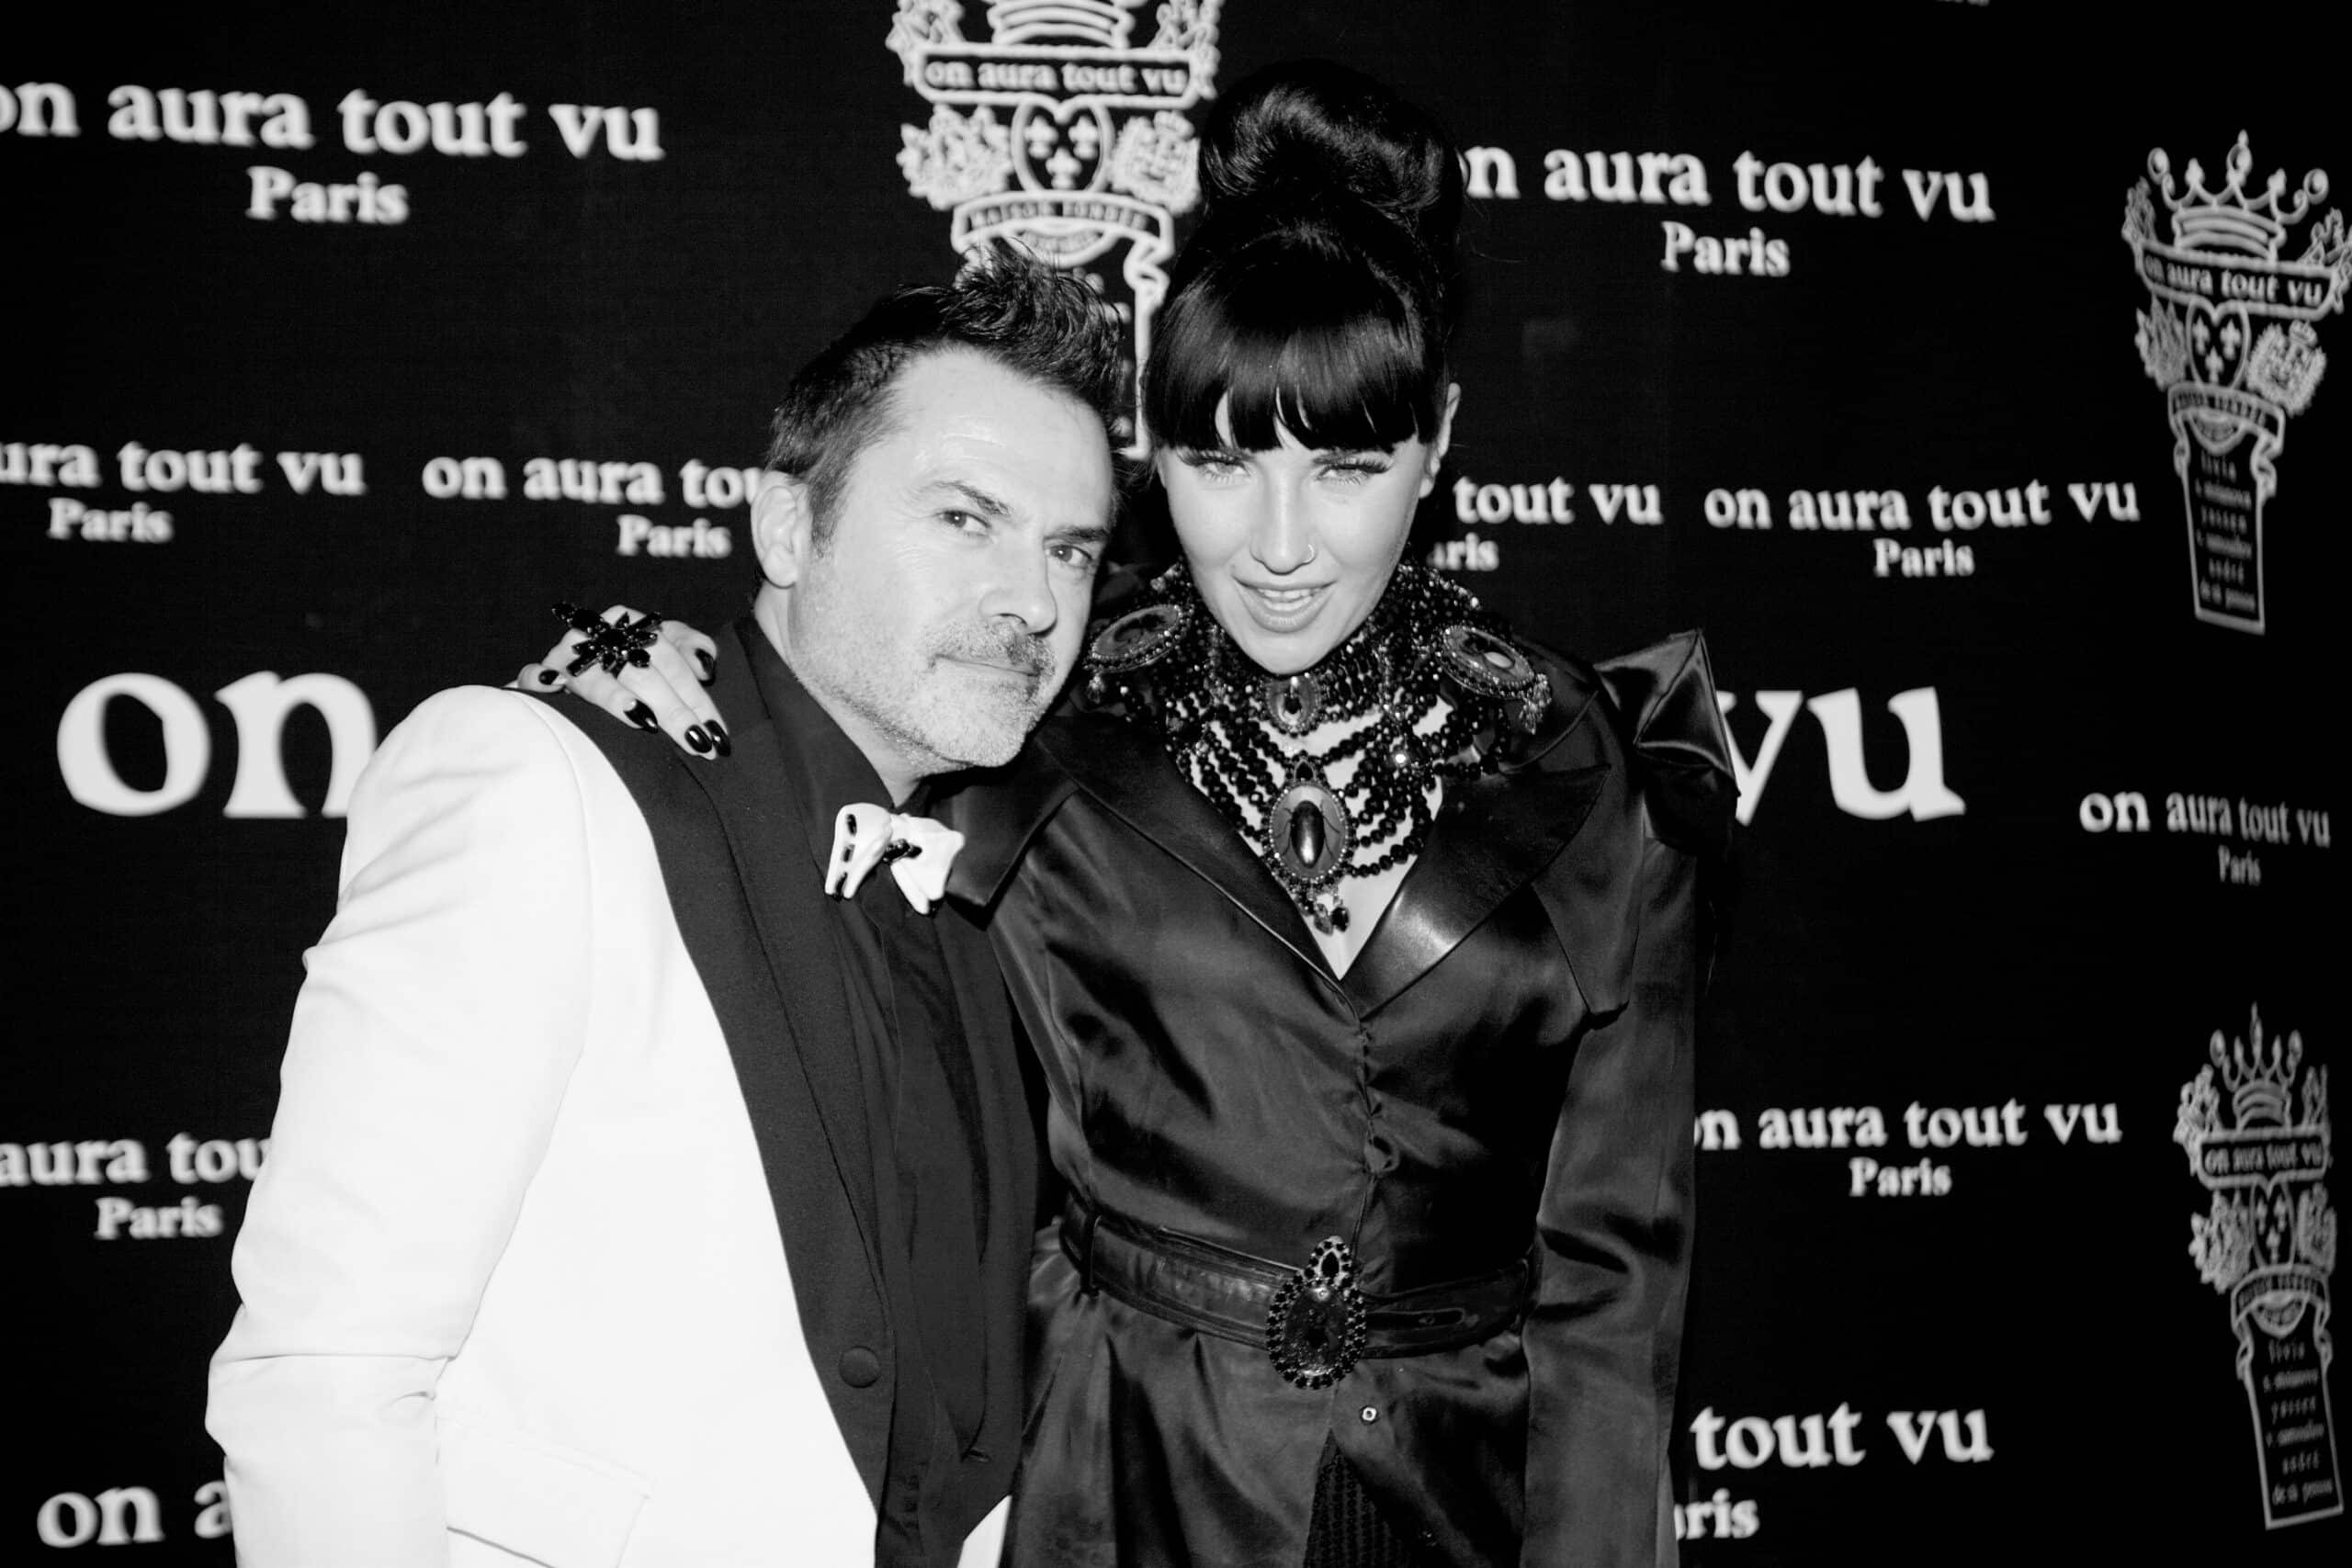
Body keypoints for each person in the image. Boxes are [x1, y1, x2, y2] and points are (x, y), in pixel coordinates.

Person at [540, 61, 1734, 1568]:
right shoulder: (1042, 703)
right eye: (1222, 460)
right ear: (1153, 451)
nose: (1283, 544)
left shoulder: (1593, 758)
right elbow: (816, 709)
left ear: (1438, 439)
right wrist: (632, 671)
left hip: (1465, 1502)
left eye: (1349, 465)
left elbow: (1617, 1270)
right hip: (1119, 1485)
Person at [206, 248, 1125, 1567]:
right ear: (787, 526)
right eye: (963, 519)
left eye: (1070, 550)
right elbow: (326, 1375)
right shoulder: (540, 782)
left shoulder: (1014, 878)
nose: (1032, 601)